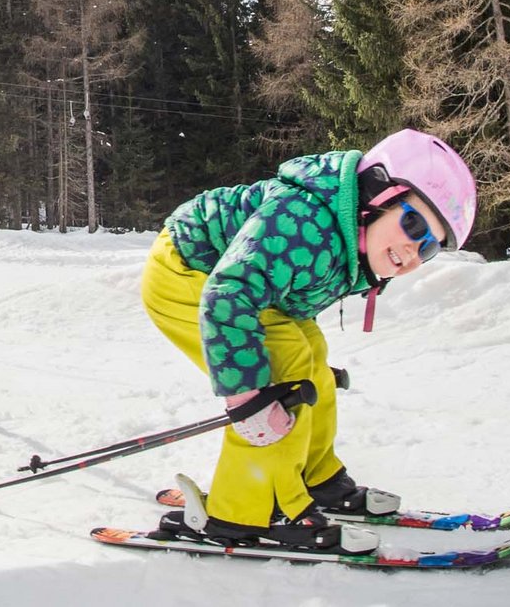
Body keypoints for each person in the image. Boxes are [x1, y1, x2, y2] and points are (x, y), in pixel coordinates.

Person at [144, 128, 478, 555]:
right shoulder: (302, 219)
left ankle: (314, 479)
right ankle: (246, 511)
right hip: (187, 272)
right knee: (282, 373)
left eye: (429, 247)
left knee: (311, 358)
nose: (414, 250)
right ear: (375, 194)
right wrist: (246, 396)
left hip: (235, 284)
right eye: (412, 224)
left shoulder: (352, 232)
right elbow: (228, 295)